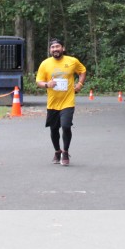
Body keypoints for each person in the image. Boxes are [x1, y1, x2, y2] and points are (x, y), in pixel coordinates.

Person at [35, 38, 86, 167]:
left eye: (57, 46)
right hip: (52, 103)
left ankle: (65, 152)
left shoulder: (72, 61)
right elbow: (39, 81)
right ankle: (57, 151)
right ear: (50, 50)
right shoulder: (45, 64)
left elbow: (82, 71)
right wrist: (47, 84)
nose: (55, 49)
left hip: (68, 101)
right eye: (52, 47)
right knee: (54, 129)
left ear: (63, 48)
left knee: (66, 126)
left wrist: (80, 84)